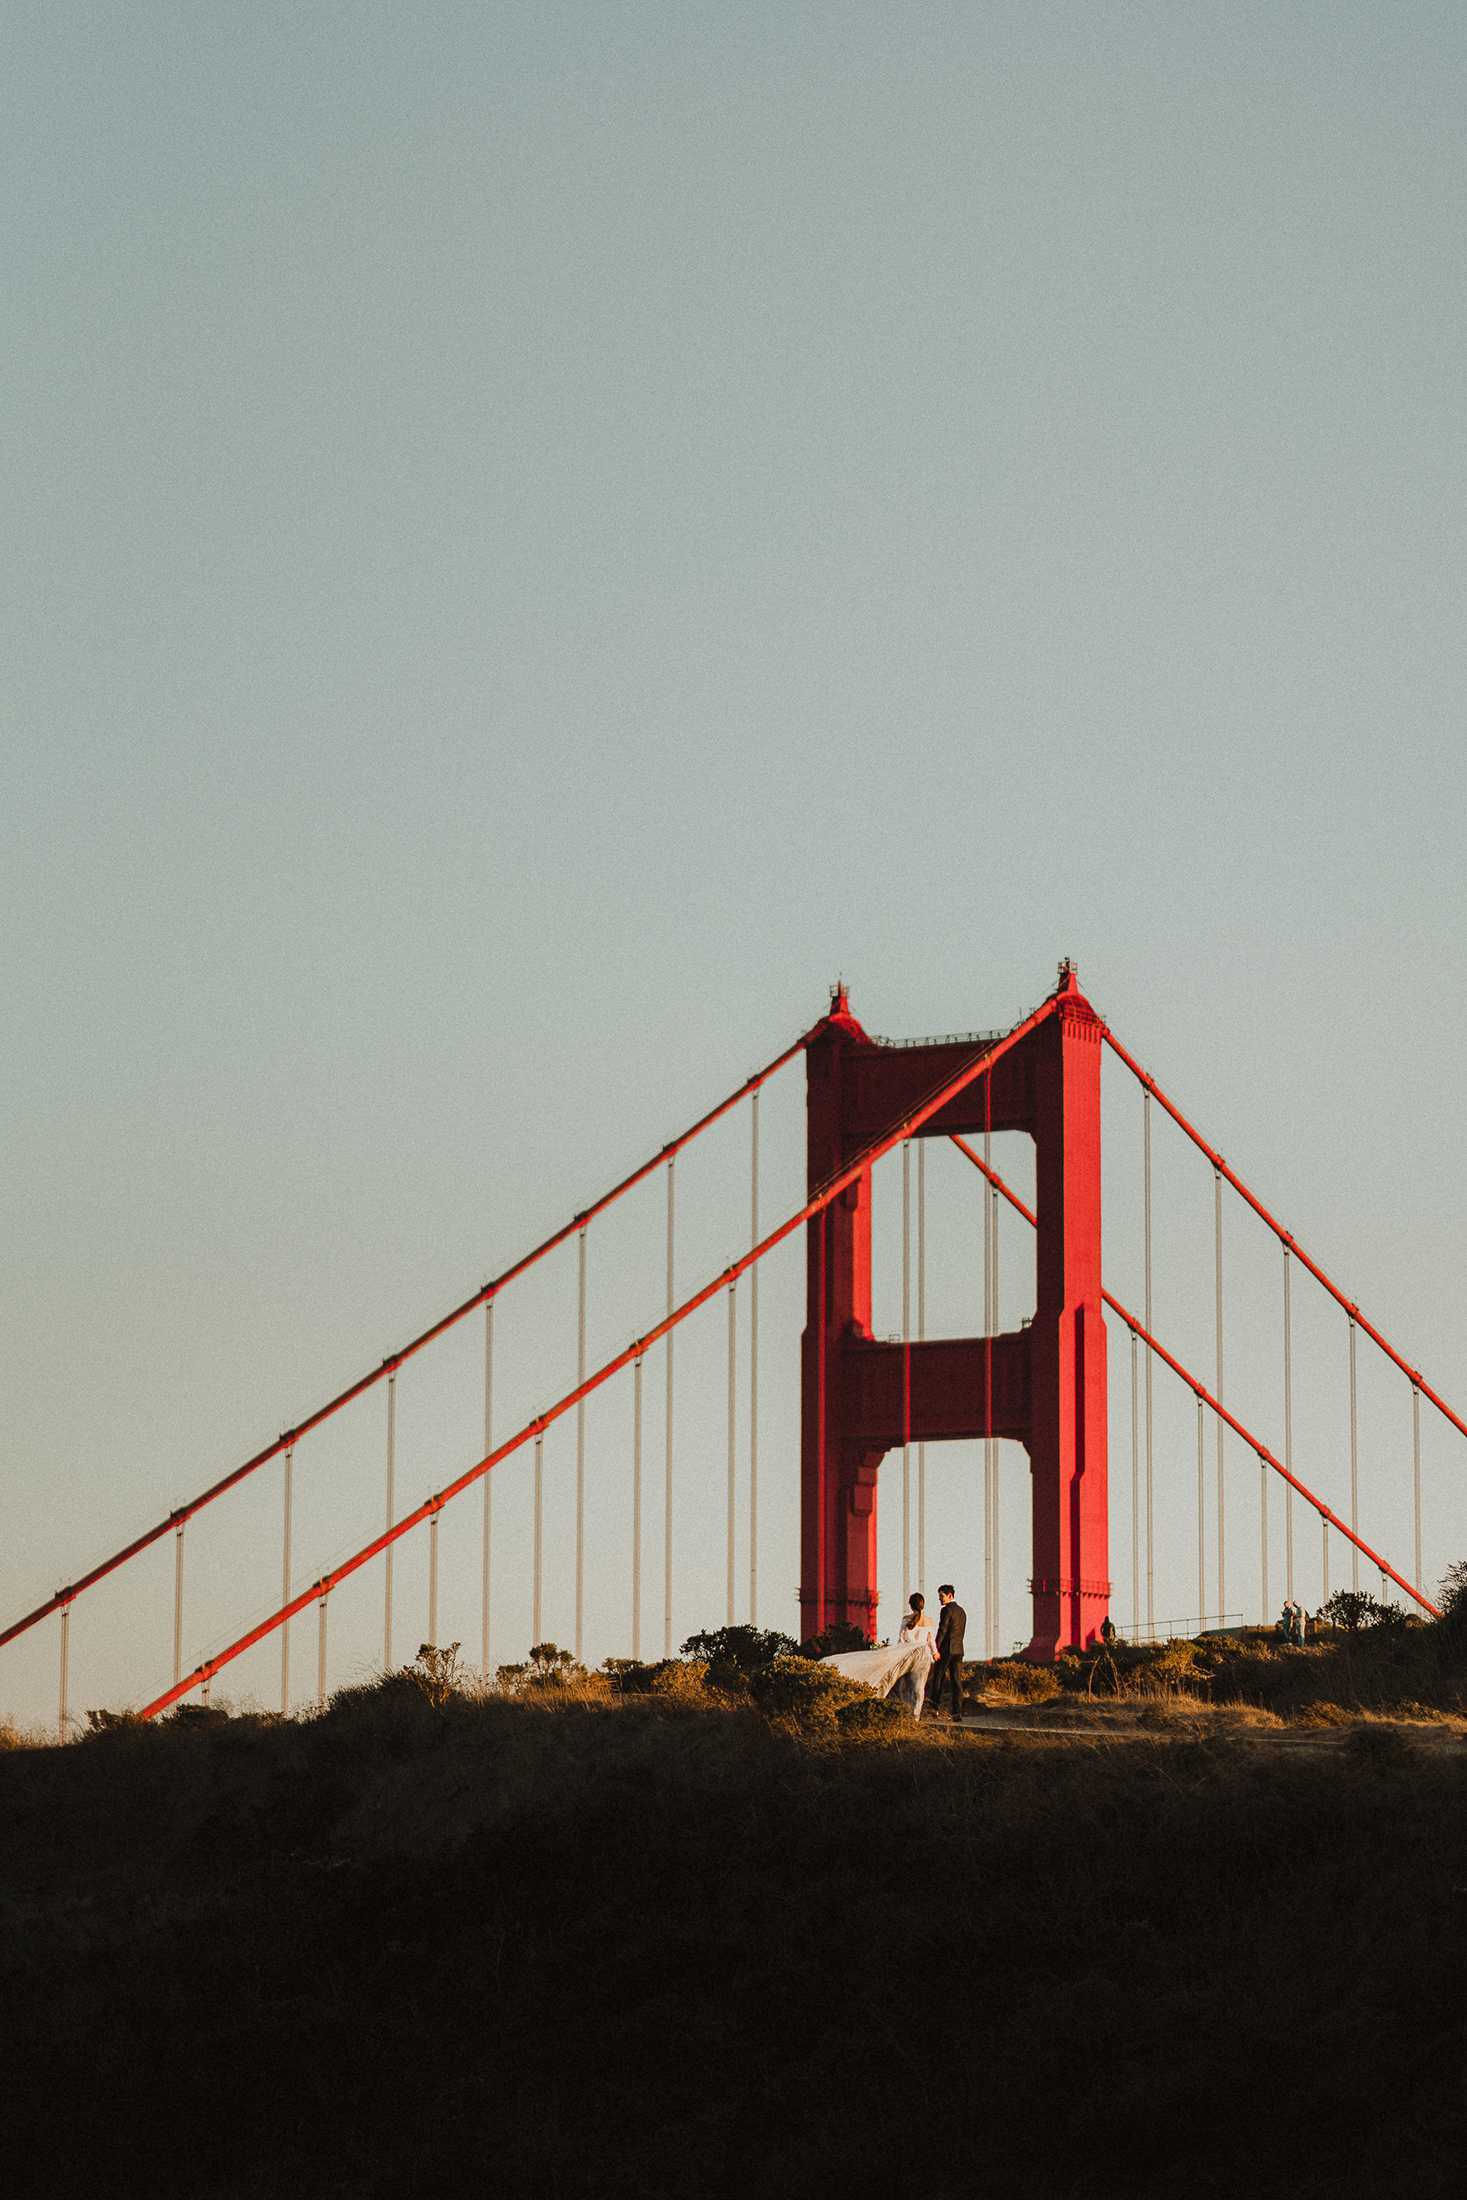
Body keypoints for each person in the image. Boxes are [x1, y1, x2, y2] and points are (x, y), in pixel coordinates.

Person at [819, 1591, 935, 1719]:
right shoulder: (929, 1621)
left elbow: (902, 1639)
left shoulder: (906, 1619)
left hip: (906, 1652)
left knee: (891, 1678)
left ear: (911, 1605)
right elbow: (931, 1640)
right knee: (918, 1686)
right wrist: (935, 1653)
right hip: (924, 1653)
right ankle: (915, 1716)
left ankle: (891, 1708)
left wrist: (893, 1653)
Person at [929, 1584, 966, 1721]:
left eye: (941, 1596)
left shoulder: (946, 1610)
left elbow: (942, 1630)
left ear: (949, 1595)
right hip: (958, 1650)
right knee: (957, 1682)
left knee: (938, 1679)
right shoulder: (962, 1611)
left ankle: (933, 1709)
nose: (940, 1599)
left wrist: (935, 1648)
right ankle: (957, 1713)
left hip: (946, 1650)